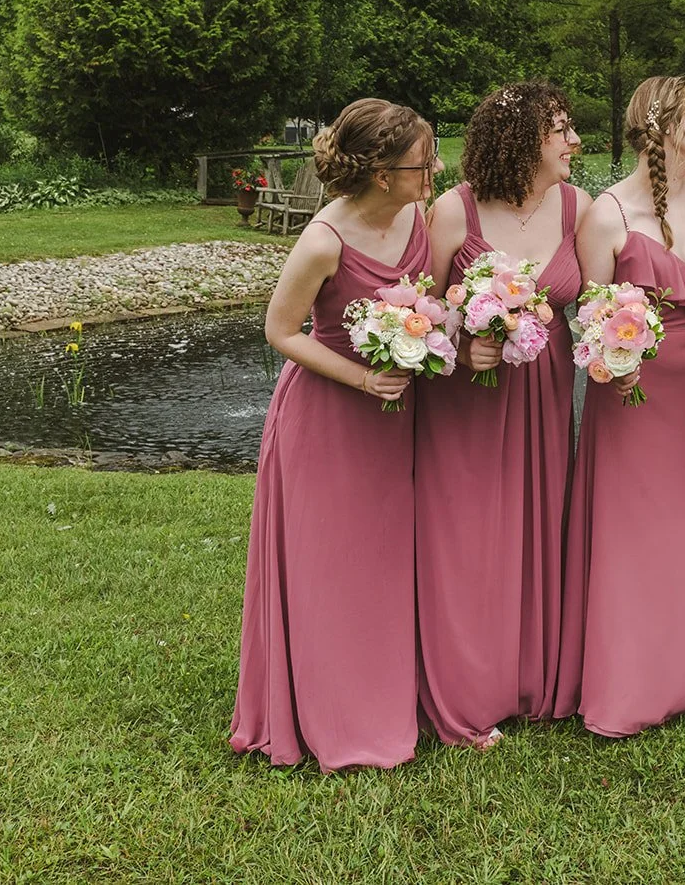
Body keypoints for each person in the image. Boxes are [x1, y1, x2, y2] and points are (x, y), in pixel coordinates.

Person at [231, 98, 440, 771]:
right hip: (324, 419)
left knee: (382, 563)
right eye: (423, 160)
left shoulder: (416, 216)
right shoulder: (324, 239)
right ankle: (326, 715)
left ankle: (386, 699)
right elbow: (280, 330)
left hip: (391, 420)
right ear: (382, 173)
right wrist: (360, 378)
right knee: (328, 566)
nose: (435, 168)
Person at [556, 75, 685, 737]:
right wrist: (616, 364)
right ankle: (628, 683)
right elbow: (588, 315)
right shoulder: (608, 214)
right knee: (633, 532)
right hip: (630, 393)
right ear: (662, 122)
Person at [414, 82, 590, 746]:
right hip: (467, 394)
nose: (574, 142)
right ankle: (463, 692)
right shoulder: (453, 213)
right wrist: (465, 343)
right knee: (466, 536)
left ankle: (531, 682)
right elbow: (421, 315)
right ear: (522, 141)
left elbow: (600, 298)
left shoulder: (579, 207)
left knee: (535, 526)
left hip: (543, 393)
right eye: (562, 130)